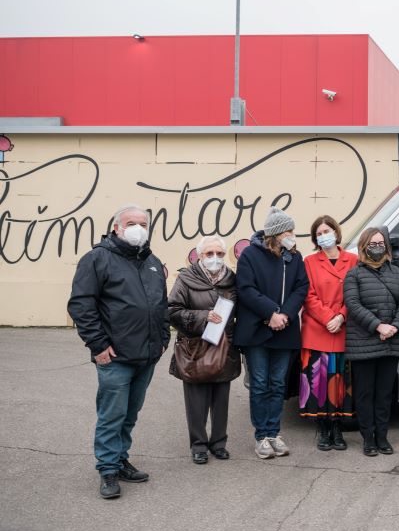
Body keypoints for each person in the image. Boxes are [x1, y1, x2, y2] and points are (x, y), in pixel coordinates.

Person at [68, 204, 170, 499]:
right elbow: (81, 305)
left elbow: (161, 305)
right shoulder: (97, 258)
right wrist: (98, 346)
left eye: (143, 223)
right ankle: (108, 469)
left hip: (147, 355)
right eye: (131, 222)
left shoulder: (152, 261)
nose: (138, 227)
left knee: (129, 414)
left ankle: (120, 458)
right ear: (116, 227)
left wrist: (163, 339)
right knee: (112, 415)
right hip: (114, 357)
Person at [234, 207, 309, 460]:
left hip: (284, 331)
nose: (292, 235)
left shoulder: (294, 257)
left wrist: (285, 315)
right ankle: (261, 437)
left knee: (277, 385)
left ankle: (273, 432)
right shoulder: (250, 256)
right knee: (259, 384)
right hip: (257, 331)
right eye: (288, 231)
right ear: (275, 234)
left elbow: (301, 287)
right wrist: (271, 314)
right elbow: (246, 289)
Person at [167, 234, 241, 464]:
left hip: (224, 347)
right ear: (199, 256)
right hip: (195, 348)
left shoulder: (232, 279)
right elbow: (171, 311)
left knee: (221, 399)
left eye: (219, 254)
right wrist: (203, 317)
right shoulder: (186, 278)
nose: (215, 258)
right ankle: (198, 444)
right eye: (209, 254)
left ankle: (219, 443)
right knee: (196, 400)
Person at [343, 227, 399, 456]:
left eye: (381, 243)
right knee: (365, 394)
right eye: (372, 243)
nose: (377, 246)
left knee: (384, 394)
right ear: (364, 246)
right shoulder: (354, 274)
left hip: (391, 342)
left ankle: (382, 436)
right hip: (364, 342)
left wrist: (395, 326)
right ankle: (368, 438)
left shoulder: (395, 273)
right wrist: (378, 326)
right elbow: (353, 304)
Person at [300, 215, 358, 451]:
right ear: (315, 238)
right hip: (317, 330)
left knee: (340, 382)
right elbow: (308, 295)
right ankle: (323, 428)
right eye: (319, 232)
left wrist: (342, 316)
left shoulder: (353, 260)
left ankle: (337, 428)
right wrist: (328, 318)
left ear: (336, 231)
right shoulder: (309, 262)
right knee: (319, 383)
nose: (324, 235)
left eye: (327, 230)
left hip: (343, 328)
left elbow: (356, 293)